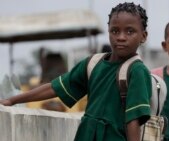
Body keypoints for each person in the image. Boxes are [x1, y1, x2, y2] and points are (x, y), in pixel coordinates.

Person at [0, 2, 151, 141]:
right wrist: (13, 100)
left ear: (143, 36)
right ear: (109, 32)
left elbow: (133, 120)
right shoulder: (93, 64)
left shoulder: (137, 70)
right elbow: (55, 87)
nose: (121, 37)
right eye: (115, 31)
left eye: (130, 32)